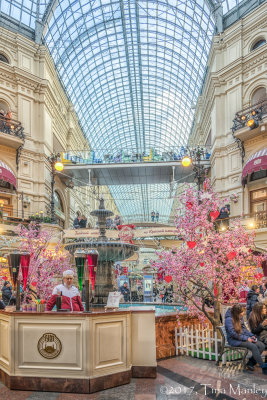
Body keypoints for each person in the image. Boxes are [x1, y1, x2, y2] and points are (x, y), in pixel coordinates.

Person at [225, 304, 267, 373]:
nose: (243, 313)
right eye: (242, 312)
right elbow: (233, 334)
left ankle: (250, 363)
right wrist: (246, 338)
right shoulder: (229, 320)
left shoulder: (240, 317)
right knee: (253, 346)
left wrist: (251, 335)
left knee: (261, 345)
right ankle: (263, 365)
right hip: (234, 340)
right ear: (236, 313)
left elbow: (245, 330)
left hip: (242, 337)